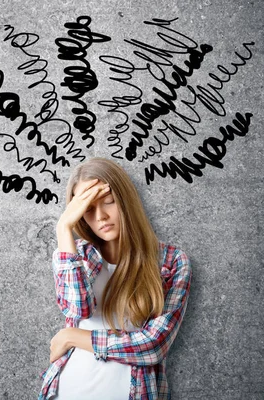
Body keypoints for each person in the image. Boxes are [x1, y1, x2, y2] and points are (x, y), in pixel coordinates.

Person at [38, 158, 192, 400]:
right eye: (88, 208)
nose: (100, 216)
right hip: (68, 390)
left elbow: (153, 346)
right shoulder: (75, 255)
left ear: (126, 201)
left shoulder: (171, 261)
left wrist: (74, 337)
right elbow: (78, 309)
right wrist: (63, 229)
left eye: (109, 202)